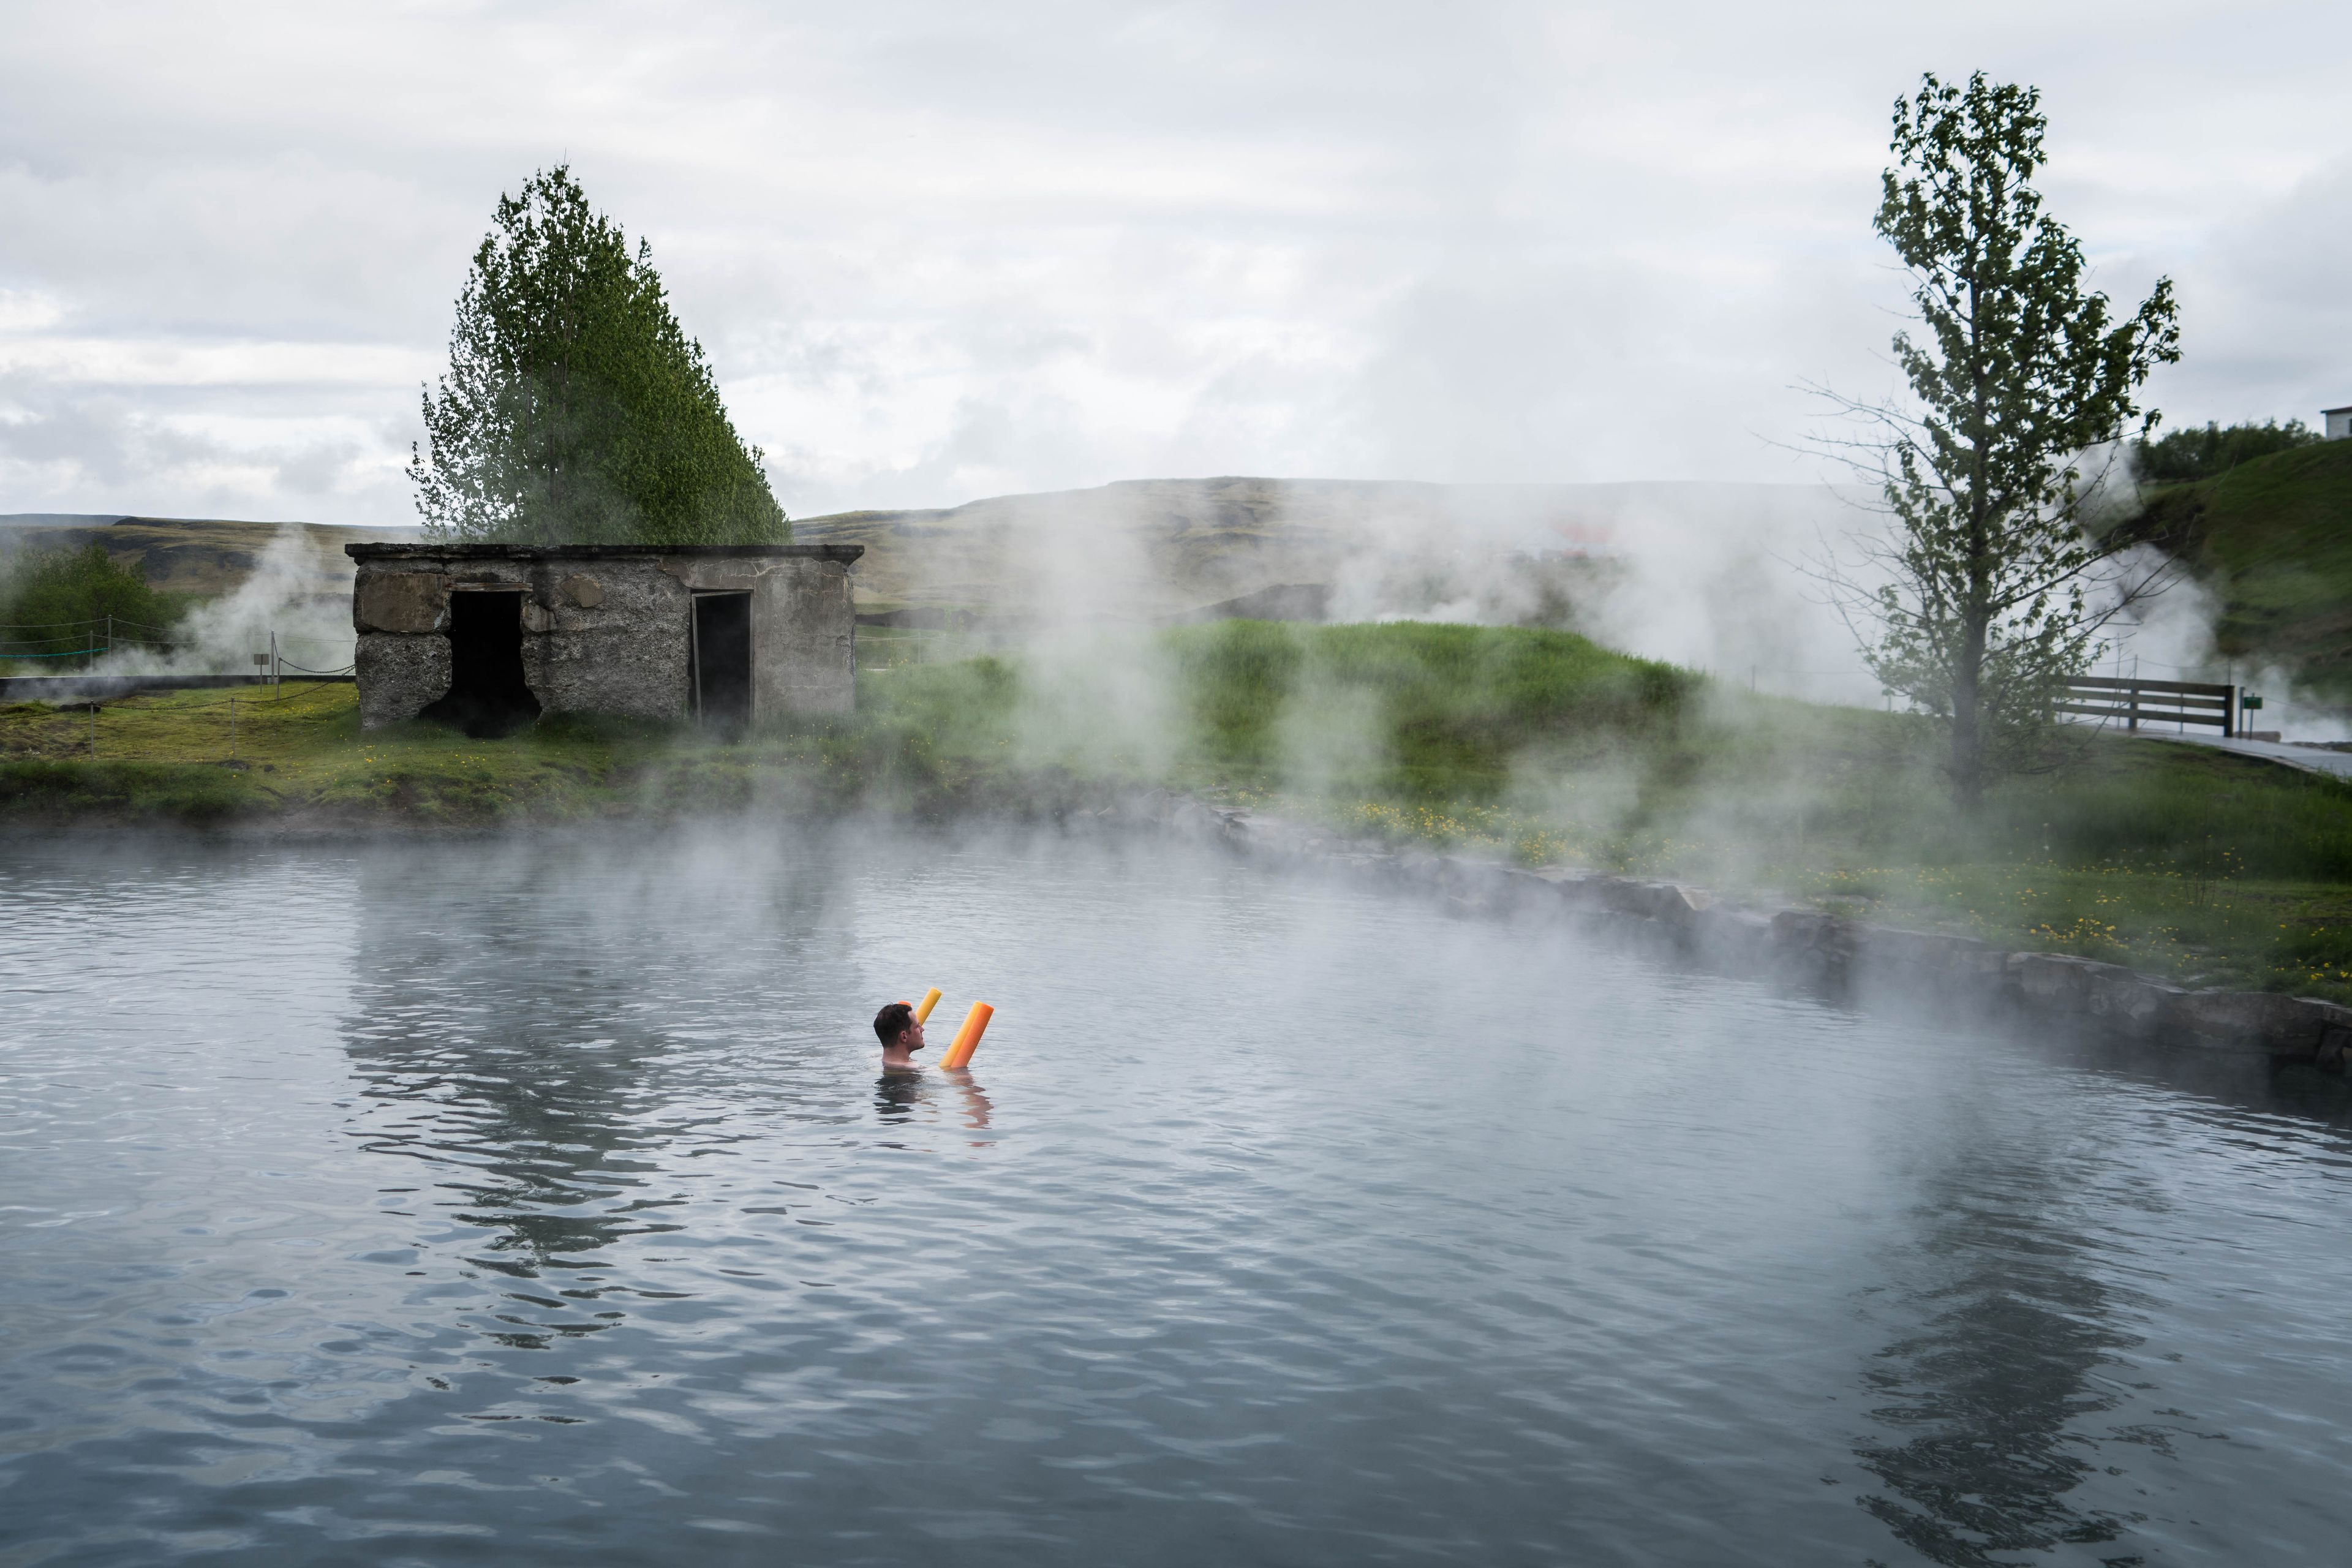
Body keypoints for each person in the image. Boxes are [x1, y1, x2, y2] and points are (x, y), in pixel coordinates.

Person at [874, 1001, 926, 1071]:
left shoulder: (875, 1058)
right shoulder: (917, 1069)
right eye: (917, 1026)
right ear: (904, 1036)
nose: (922, 1029)